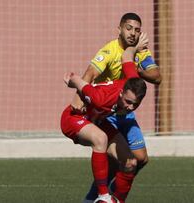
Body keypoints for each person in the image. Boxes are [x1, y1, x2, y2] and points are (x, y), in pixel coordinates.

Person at [72, 13, 162, 203]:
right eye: (128, 28)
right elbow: (90, 73)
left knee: (142, 159)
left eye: (137, 30)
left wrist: (131, 62)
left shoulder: (141, 51)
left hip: (126, 114)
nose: (132, 33)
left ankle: (107, 197)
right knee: (119, 161)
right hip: (109, 113)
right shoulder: (109, 50)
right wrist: (79, 97)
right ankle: (98, 198)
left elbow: (157, 76)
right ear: (119, 29)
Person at [61, 34, 149, 203]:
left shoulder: (133, 81)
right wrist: (71, 80)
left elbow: (126, 56)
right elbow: (79, 81)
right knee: (100, 138)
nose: (130, 107)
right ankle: (103, 196)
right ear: (122, 92)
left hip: (98, 121)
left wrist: (135, 47)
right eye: (128, 102)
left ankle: (115, 201)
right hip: (73, 119)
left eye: (135, 104)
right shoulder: (101, 98)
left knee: (131, 162)